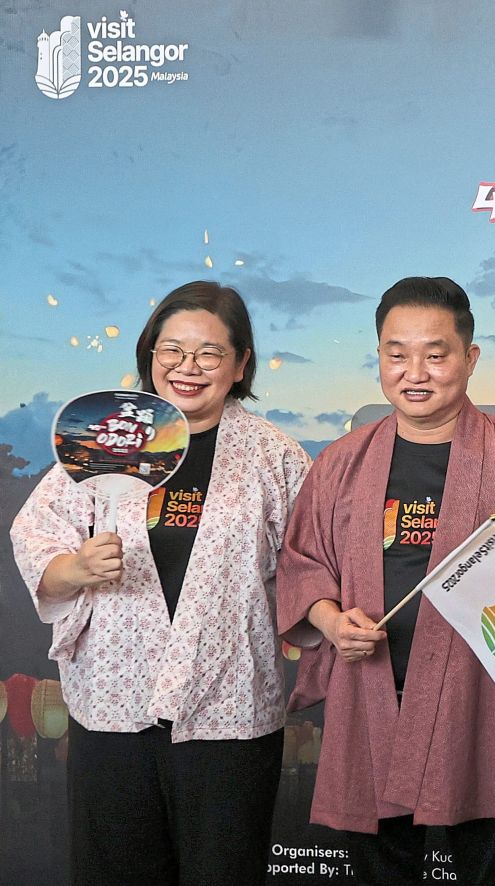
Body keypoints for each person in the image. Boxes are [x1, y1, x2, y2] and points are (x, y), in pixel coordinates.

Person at [10, 281, 311, 886]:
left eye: (209, 354)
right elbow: (37, 533)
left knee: (225, 871)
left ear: (241, 363)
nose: (187, 368)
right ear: (149, 354)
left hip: (228, 708)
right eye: (171, 350)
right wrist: (75, 569)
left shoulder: (274, 456)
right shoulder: (105, 439)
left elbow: (311, 561)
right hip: (114, 703)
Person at [276, 276, 495, 886]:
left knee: (488, 857)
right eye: (396, 353)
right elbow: (303, 561)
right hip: (373, 686)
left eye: (436, 354)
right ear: (379, 356)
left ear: (470, 358)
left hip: (483, 694)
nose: (415, 372)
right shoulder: (343, 461)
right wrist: (330, 620)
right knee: (380, 866)